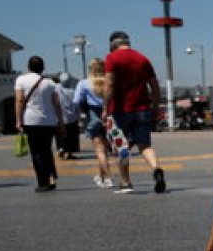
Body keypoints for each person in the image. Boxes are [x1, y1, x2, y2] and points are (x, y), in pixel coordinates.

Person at [102, 31, 166, 194]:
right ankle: (156, 168)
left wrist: (104, 107)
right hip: (142, 109)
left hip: (120, 111)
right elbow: (155, 86)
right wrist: (155, 107)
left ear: (112, 45)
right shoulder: (143, 58)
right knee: (145, 145)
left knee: (122, 147)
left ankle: (125, 182)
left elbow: (109, 85)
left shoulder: (112, 58)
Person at [15, 56, 65, 192]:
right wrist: (60, 122)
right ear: (43, 68)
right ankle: (52, 177)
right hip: (49, 122)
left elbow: (19, 101)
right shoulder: (49, 83)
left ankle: (43, 182)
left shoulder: (21, 80)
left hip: (31, 121)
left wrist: (18, 120)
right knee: (47, 150)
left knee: (36, 152)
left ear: (28, 67)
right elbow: (56, 104)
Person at [73, 58, 113, 188]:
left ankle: (107, 178)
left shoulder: (84, 83)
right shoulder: (109, 82)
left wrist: (80, 113)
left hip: (93, 117)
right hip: (110, 117)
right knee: (104, 150)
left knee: (100, 151)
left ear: (90, 69)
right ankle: (101, 176)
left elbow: (76, 101)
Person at [54, 73, 80, 160]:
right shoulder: (73, 90)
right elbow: (77, 104)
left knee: (60, 135)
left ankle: (61, 149)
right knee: (71, 136)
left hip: (60, 117)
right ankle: (69, 152)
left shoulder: (57, 88)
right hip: (72, 117)